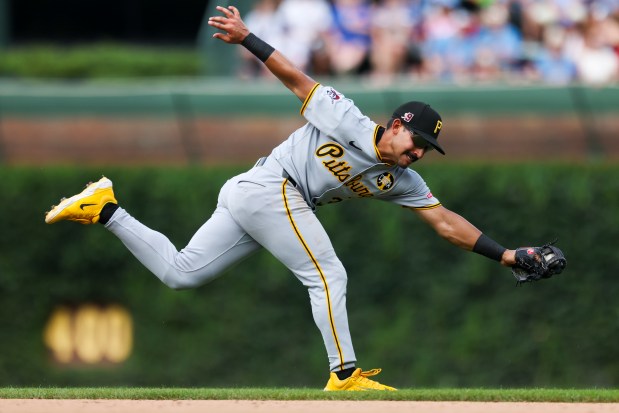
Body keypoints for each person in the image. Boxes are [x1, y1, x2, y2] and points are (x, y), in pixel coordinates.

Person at [45, 5, 519, 391]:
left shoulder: (402, 180)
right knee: (328, 273)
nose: (417, 153)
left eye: (425, 150)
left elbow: (446, 223)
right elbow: (295, 78)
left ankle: (105, 208)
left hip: (257, 197)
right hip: (270, 187)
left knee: (180, 273)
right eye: (414, 142)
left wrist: (508, 255)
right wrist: (248, 37)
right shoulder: (348, 118)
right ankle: (345, 375)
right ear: (396, 125)